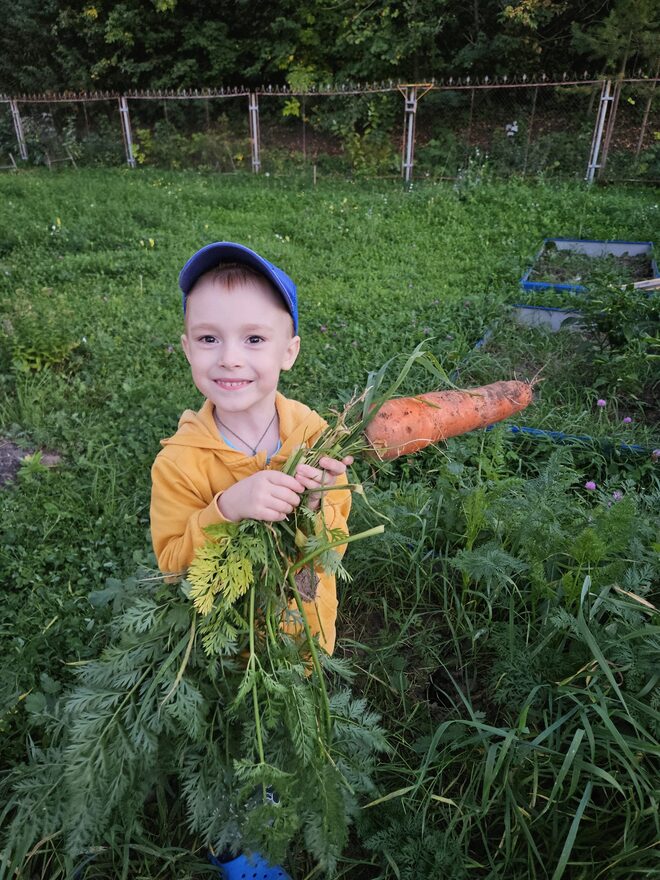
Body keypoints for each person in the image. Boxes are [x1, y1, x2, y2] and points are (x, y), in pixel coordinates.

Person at [149, 241, 353, 880]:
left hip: (303, 631)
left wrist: (321, 507)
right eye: (209, 338)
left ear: (290, 351)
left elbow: (338, 543)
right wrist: (224, 509)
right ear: (186, 348)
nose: (230, 358)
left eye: (255, 340)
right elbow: (174, 564)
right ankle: (234, 845)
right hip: (227, 651)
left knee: (290, 736)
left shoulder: (313, 434)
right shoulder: (181, 463)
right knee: (236, 746)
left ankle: (278, 805)